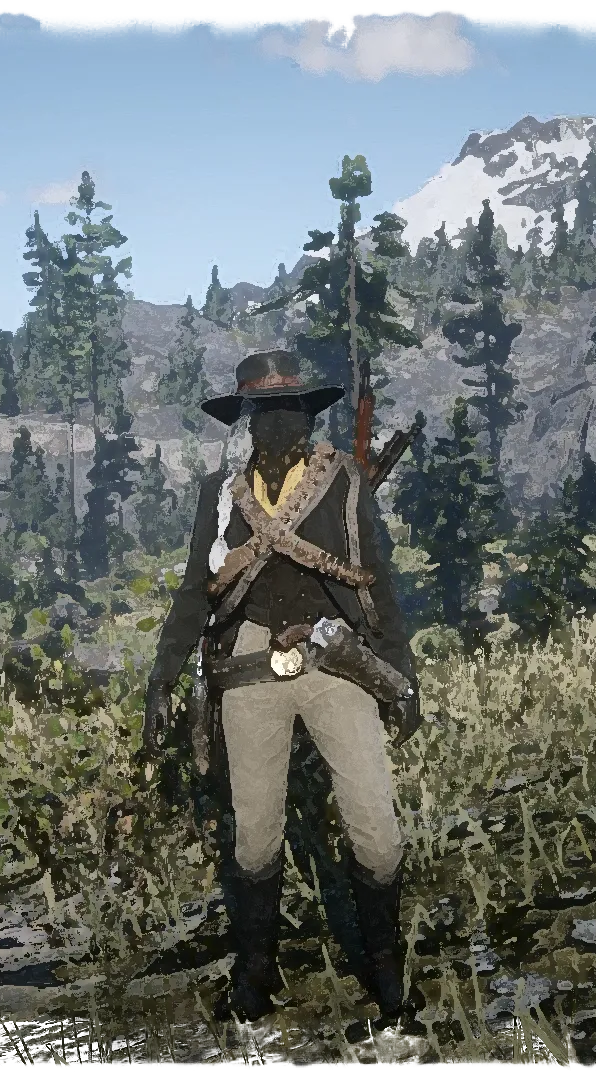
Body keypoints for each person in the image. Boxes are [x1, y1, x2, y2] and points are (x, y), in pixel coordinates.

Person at [143, 348, 423, 1021]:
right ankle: (255, 973)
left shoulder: (345, 483)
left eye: (288, 408)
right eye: (264, 410)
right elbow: (195, 588)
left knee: (377, 833)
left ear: (306, 414)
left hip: (336, 659)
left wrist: (402, 676)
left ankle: (384, 966)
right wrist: (164, 674)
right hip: (246, 664)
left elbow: (375, 580)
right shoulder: (220, 496)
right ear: (247, 418)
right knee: (256, 837)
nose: (277, 422)